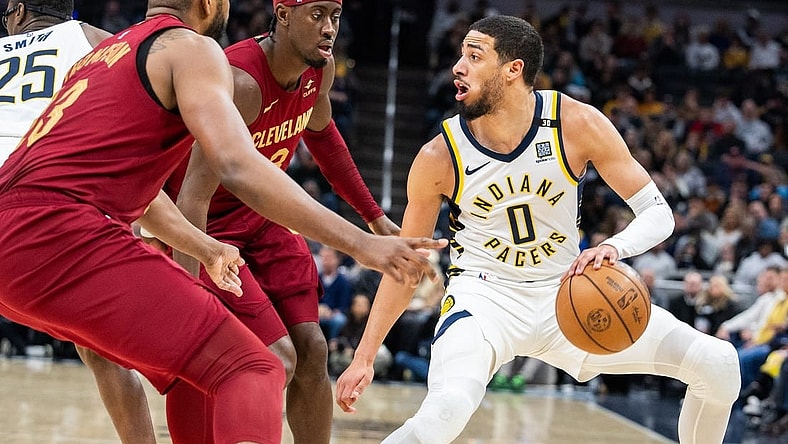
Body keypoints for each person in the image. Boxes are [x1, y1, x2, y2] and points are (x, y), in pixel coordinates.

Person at [0, 1, 445, 443]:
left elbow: (135, 189)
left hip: (22, 231)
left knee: (272, 356)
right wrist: (362, 244)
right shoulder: (199, 53)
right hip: (74, 229)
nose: (329, 27)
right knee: (257, 367)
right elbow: (232, 167)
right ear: (210, 3)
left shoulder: (106, 51)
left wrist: (204, 250)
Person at [336, 16, 740, 444]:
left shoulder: (575, 122)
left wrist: (614, 248)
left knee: (718, 365)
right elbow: (408, 265)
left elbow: (659, 214)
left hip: (567, 294)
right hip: (483, 300)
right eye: (460, 55)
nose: (457, 66)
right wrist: (364, 355)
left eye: (474, 56)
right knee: (446, 410)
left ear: (514, 69)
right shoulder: (439, 155)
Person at [164, 1, 403, 441]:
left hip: (265, 222)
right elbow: (190, 198)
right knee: (271, 357)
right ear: (282, 13)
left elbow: (324, 135)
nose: (329, 28)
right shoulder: (240, 82)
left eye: (335, 14)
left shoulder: (319, 71)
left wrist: (374, 217)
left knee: (313, 349)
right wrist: (189, 297)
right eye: (317, 15)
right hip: (207, 231)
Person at [0, 2, 158, 442]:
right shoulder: (98, 43)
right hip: (59, 208)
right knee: (104, 353)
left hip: (18, 201)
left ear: (17, 10)